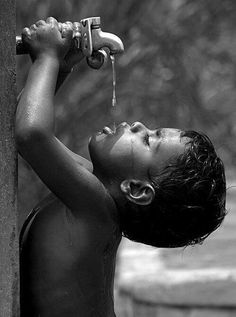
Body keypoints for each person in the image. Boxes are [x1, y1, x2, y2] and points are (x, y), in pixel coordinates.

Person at [16, 17, 226, 317]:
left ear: (137, 189)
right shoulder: (90, 188)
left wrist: (48, 56)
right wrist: (61, 66)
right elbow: (24, 128)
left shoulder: (93, 204)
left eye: (148, 141)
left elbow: (32, 135)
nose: (139, 125)